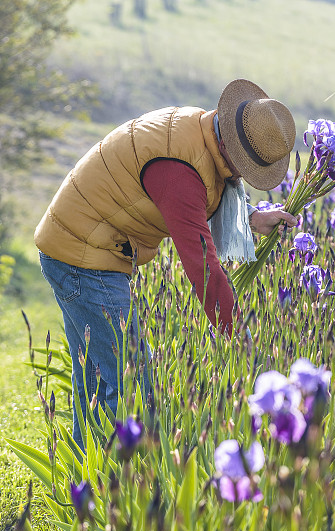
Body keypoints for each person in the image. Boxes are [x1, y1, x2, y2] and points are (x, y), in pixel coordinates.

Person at [35, 78, 299, 450]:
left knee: (96, 382)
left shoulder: (198, 130)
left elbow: (198, 197)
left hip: (79, 246)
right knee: (131, 383)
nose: (242, 177)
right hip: (85, 256)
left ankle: (88, 482)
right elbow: (202, 265)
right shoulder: (178, 166)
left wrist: (252, 217)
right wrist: (239, 337)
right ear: (229, 146)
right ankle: (120, 487)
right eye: (243, 166)